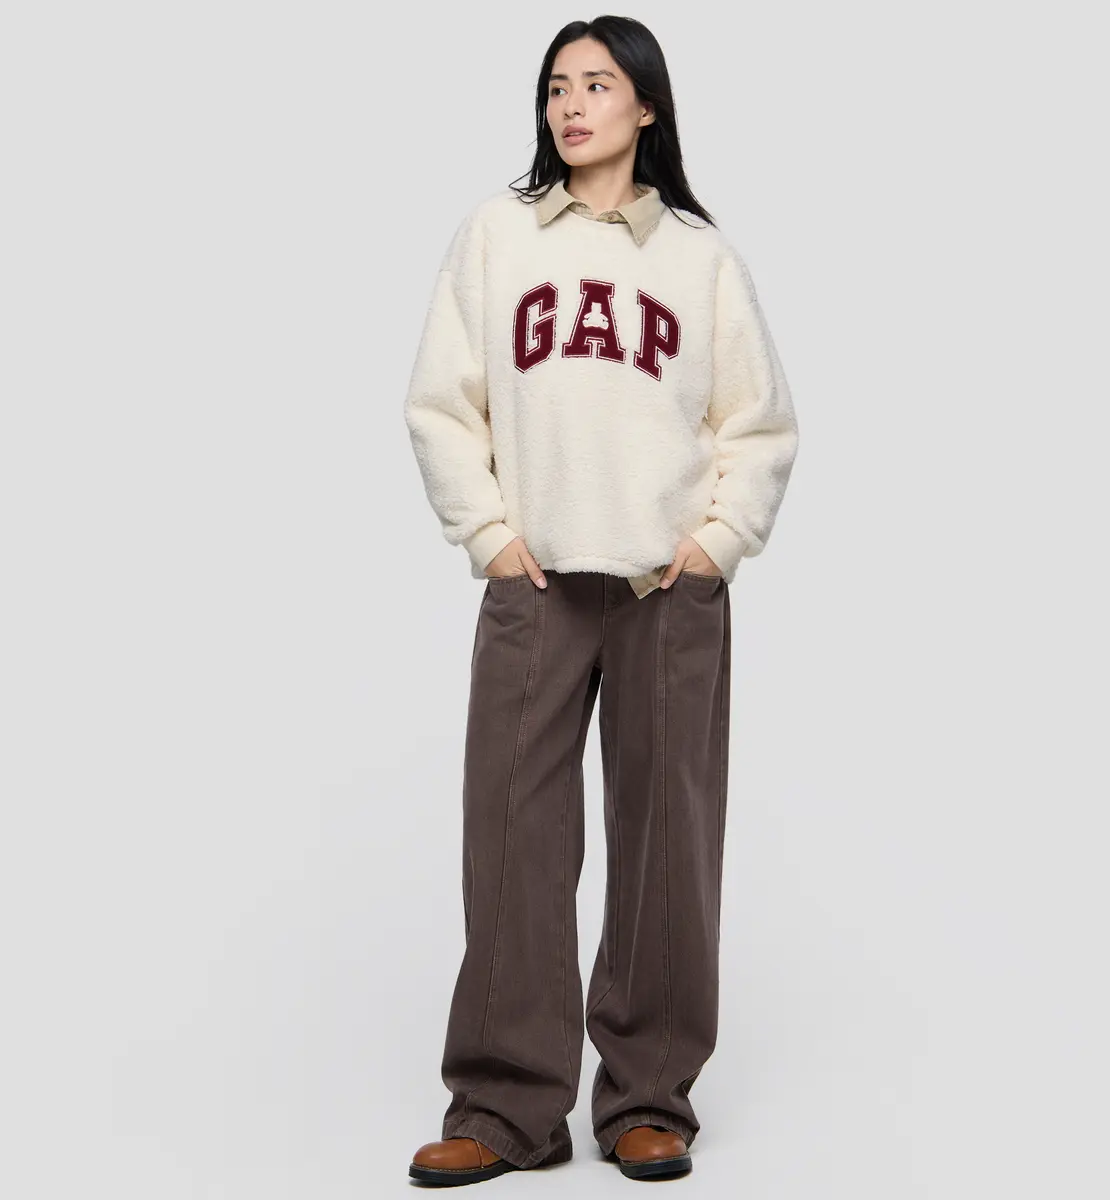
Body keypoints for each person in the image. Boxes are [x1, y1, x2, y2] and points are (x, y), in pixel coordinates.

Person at [402, 15, 798, 1187]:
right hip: (536, 585)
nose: (573, 106)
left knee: (667, 839)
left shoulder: (699, 258)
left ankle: (647, 1098)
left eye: (599, 85)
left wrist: (716, 543)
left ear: (647, 107)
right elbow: (441, 403)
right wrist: (489, 537)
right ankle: (506, 1104)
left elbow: (759, 424)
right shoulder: (498, 236)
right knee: (511, 838)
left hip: (667, 587)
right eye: (557, 87)